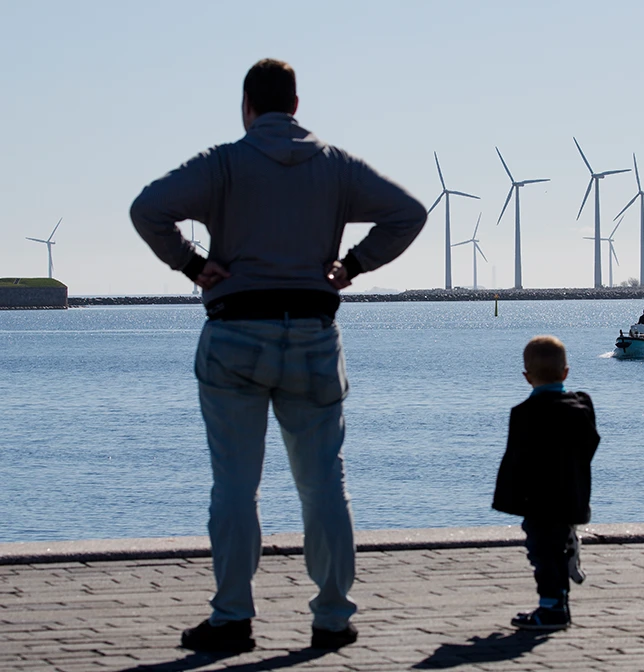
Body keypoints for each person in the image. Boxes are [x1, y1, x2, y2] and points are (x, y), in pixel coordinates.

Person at [130, 58, 427, 653]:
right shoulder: (336, 165)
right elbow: (410, 213)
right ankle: (333, 617)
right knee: (323, 484)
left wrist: (191, 264)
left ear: (247, 105)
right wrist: (354, 264)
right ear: (296, 104)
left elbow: (147, 208)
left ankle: (233, 617)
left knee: (235, 486)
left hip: (235, 333)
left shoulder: (222, 164)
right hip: (314, 335)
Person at [492, 335, 600, 631]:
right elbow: (589, 445)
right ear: (566, 372)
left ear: (526, 377)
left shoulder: (525, 414)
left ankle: (552, 609)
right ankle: (560, 595)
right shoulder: (581, 407)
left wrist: (509, 499)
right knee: (554, 550)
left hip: (541, 502)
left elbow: (515, 460)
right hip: (573, 496)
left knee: (541, 552)